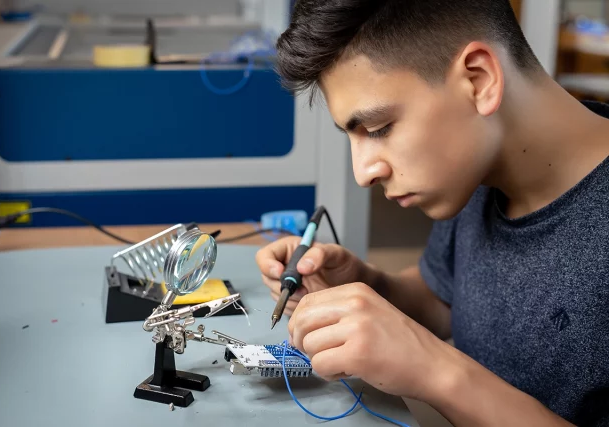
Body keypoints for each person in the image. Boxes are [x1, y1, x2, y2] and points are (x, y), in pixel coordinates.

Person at [254, 1, 609, 426]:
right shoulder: (477, 172)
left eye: (379, 129)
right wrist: (366, 284)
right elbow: (443, 297)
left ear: (478, 80)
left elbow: (435, 360)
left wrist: (435, 370)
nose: (363, 173)